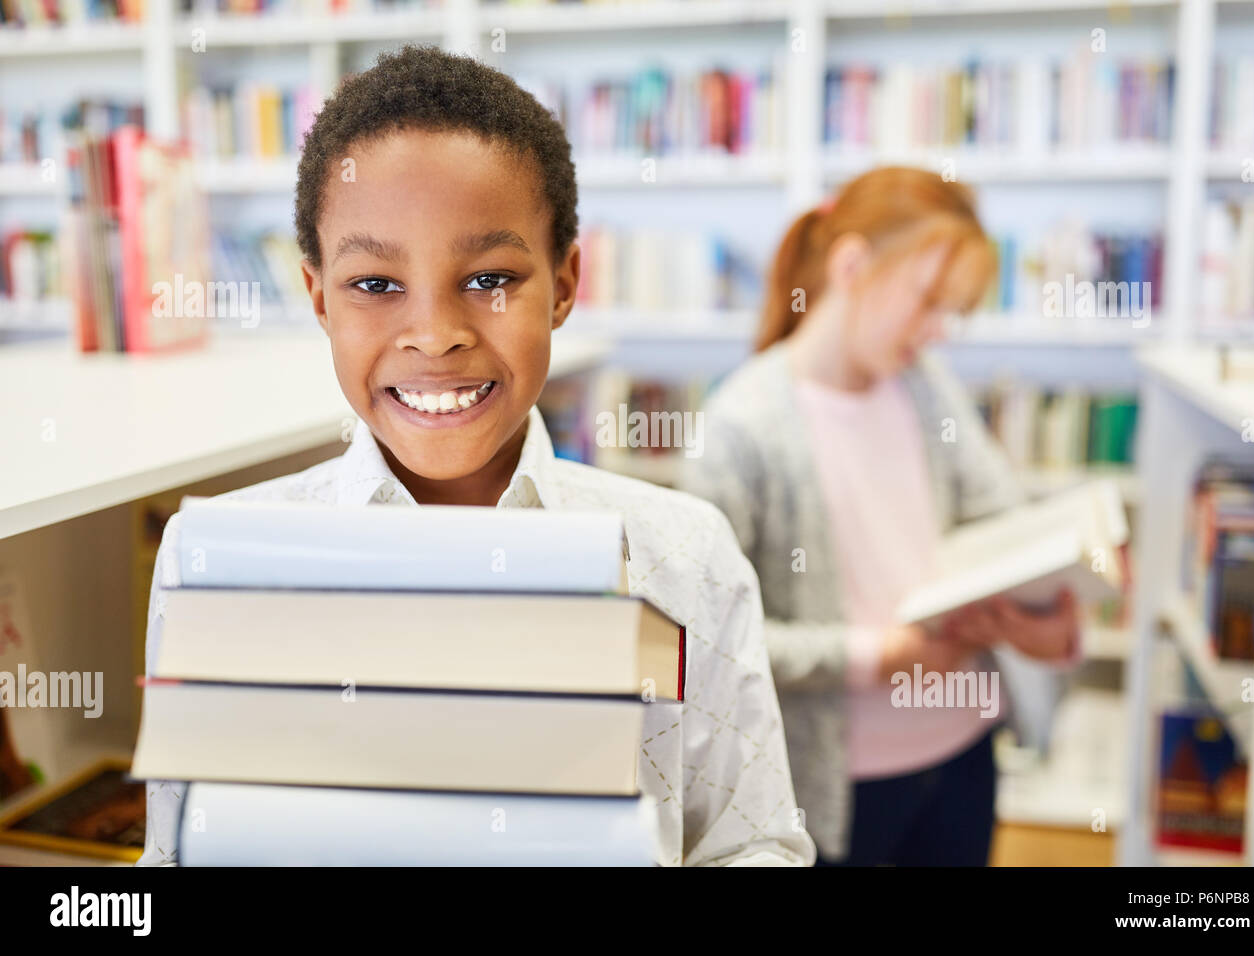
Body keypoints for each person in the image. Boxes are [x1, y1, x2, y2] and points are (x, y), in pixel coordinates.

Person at [136, 47, 814, 868]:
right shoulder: (218, 562)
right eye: (376, 285)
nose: (435, 332)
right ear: (318, 298)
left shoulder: (685, 558)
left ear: (563, 285)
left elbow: (755, 843)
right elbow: (176, 852)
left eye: (490, 277)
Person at [681, 167, 1081, 866]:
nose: (936, 333)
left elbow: (1005, 526)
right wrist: (880, 657)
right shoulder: (742, 427)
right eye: (927, 301)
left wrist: (1043, 610)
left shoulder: (928, 390)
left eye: (952, 312)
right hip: (836, 790)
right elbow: (709, 646)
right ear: (852, 265)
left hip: (962, 756)